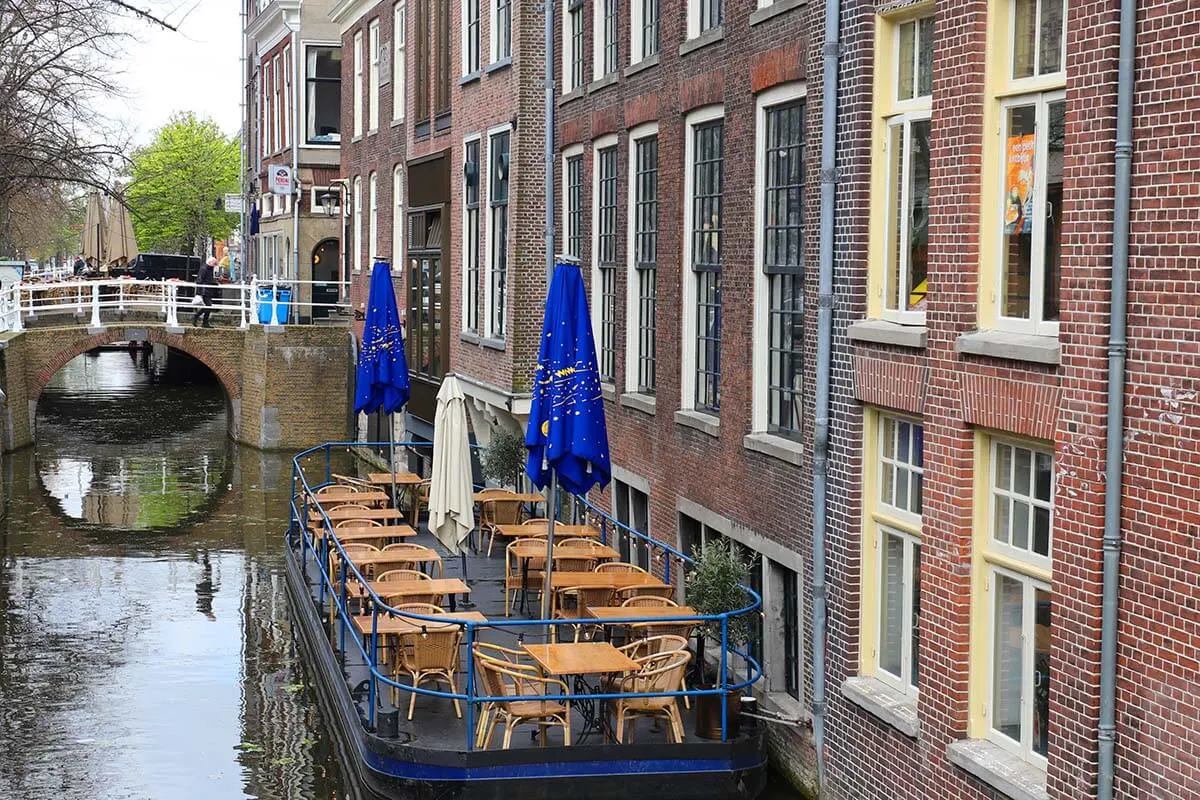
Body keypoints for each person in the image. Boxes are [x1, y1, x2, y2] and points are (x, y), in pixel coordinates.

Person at [192, 256, 218, 327]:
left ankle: (204, 322)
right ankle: (198, 317)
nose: (215, 265)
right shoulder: (205, 268)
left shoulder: (208, 268)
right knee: (209, 306)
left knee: (208, 306)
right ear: (210, 262)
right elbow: (200, 280)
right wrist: (199, 292)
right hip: (205, 290)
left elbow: (207, 279)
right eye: (214, 263)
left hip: (207, 290)